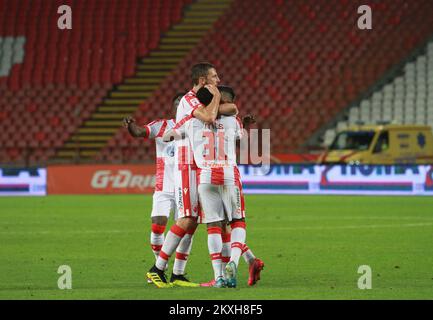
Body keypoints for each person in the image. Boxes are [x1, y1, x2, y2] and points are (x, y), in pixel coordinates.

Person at [146, 62, 238, 288]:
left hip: (199, 164)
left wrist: (216, 103)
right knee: (187, 217)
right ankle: (157, 269)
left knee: (194, 220)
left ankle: (177, 274)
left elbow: (231, 109)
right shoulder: (188, 100)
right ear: (202, 80)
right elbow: (209, 117)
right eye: (214, 77)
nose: (218, 80)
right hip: (187, 163)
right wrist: (216, 97)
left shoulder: (200, 101)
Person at [123, 93, 198, 288]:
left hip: (187, 185)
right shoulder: (162, 125)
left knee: (187, 229)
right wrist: (131, 126)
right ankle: (160, 266)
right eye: (176, 104)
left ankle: (178, 272)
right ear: (173, 108)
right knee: (158, 224)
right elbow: (139, 132)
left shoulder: (195, 125)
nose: (178, 107)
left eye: (181, 104)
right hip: (164, 186)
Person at [196, 85, 264, 287]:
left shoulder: (195, 119)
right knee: (237, 221)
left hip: (206, 175)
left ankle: (219, 277)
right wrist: (241, 124)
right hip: (228, 173)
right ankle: (233, 262)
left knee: (214, 225)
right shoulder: (232, 118)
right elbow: (239, 137)